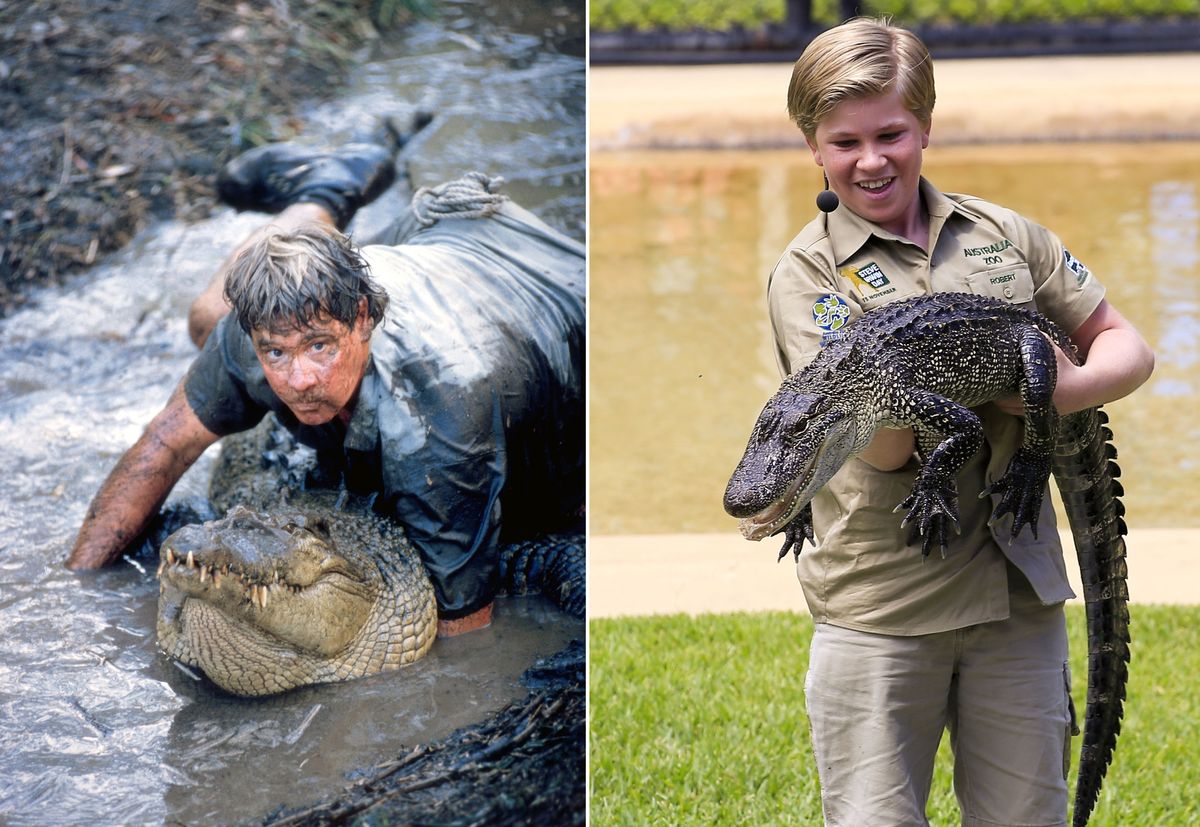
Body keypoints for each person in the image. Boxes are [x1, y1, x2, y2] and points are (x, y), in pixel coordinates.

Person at [766, 17, 1154, 826]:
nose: (871, 160)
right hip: (884, 604)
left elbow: (1127, 348)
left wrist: (1041, 393)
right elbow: (882, 450)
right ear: (815, 147)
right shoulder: (809, 273)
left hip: (1018, 593)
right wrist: (956, 385)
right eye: (845, 141)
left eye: (891, 133)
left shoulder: (1006, 236)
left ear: (926, 128)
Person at [68, 129, 585, 639]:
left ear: (363, 318)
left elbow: (465, 627)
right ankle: (325, 190)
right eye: (275, 352)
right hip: (430, 248)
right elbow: (164, 443)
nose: (299, 381)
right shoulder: (252, 335)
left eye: (319, 347)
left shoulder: (439, 415)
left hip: (547, 279)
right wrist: (78, 593)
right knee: (205, 318)